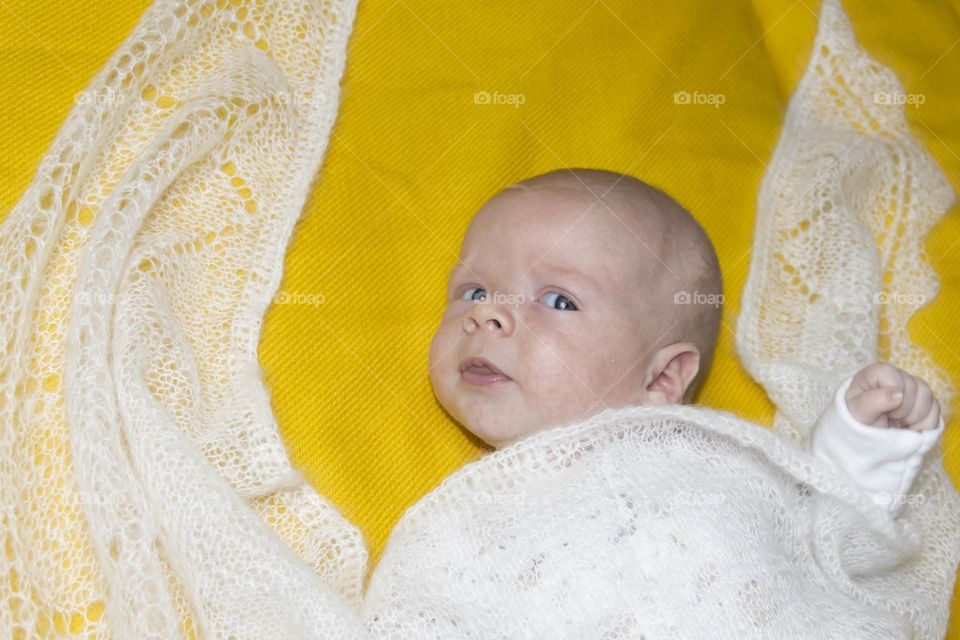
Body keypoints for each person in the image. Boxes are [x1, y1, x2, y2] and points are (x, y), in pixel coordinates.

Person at [428, 167, 944, 514]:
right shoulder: (463, 516)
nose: (487, 313)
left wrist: (859, 448)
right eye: (474, 291)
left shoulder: (700, 470)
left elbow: (821, 535)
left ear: (662, 378)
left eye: (559, 301)